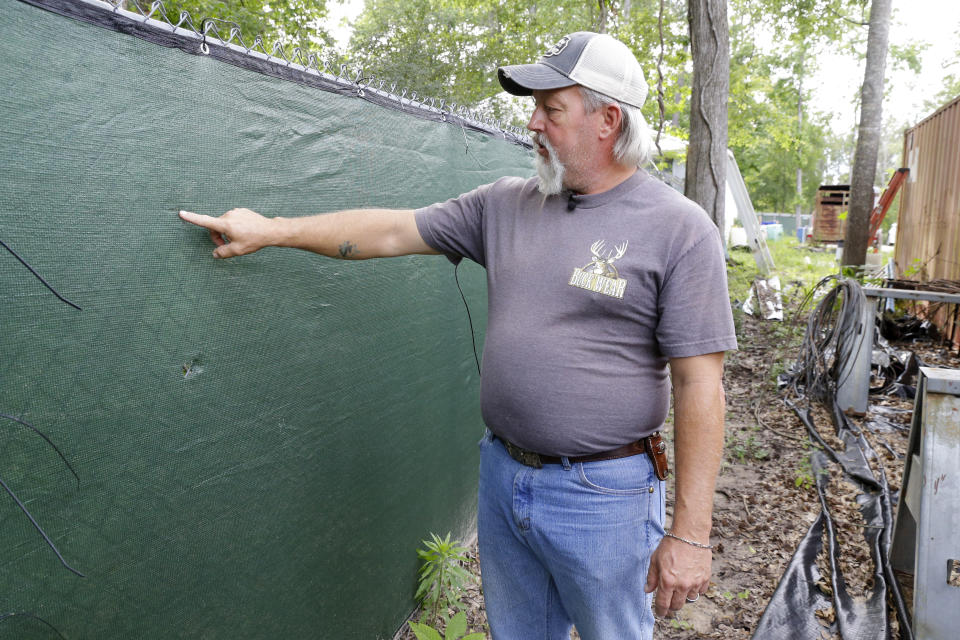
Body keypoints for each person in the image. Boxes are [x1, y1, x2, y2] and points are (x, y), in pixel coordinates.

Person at [180, 31, 736, 640]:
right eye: (535, 108)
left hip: (603, 494)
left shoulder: (680, 230)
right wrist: (273, 229)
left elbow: (699, 384)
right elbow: (391, 231)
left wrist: (690, 534)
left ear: (607, 120)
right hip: (504, 477)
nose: (533, 123)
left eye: (551, 109)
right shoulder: (505, 204)